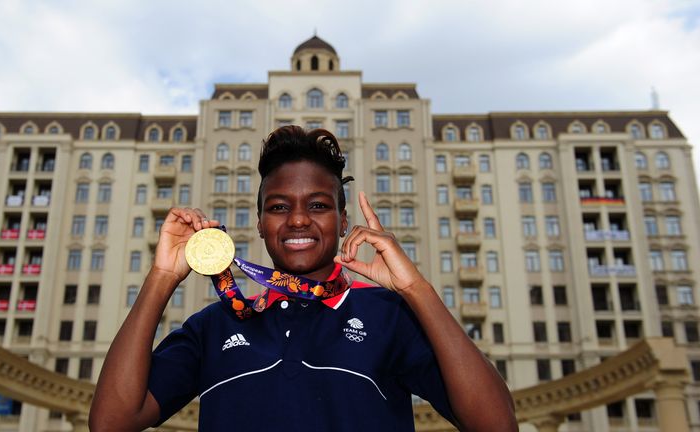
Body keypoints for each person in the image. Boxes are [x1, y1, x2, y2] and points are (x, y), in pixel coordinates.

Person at [89, 126, 517, 431]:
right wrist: (162, 277)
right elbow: (111, 422)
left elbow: (496, 424)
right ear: (258, 223)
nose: (297, 220)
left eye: (317, 205)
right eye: (278, 207)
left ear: (343, 219)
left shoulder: (388, 316)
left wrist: (415, 290)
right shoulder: (213, 327)